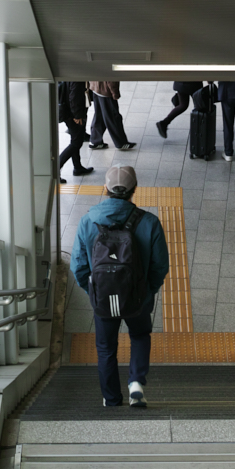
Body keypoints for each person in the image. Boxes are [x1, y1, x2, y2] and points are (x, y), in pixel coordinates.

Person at [70, 166, 169, 408]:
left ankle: (112, 399)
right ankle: (136, 382)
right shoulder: (150, 222)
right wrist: (147, 292)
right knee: (139, 335)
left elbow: (78, 266)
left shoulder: (87, 222)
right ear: (134, 190)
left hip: (103, 299)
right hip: (138, 298)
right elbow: (160, 266)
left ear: (105, 189)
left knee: (105, 348)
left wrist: (94, 292)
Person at [57, 81, 95, 182]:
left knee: (75, 139)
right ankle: (56, 168)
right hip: (73, 115)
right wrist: (77, 115)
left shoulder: (69, 74)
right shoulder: (77, 79)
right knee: (76, 143)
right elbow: (74, 97)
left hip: (67, 112)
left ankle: (77, 167)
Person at [87, 81, 136, 151]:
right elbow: (111, 79)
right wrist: (115, 93)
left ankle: (95, 141)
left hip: (95, 87)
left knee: (99, 114)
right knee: (113, 117)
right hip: (105, 90)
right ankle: (121, 143)